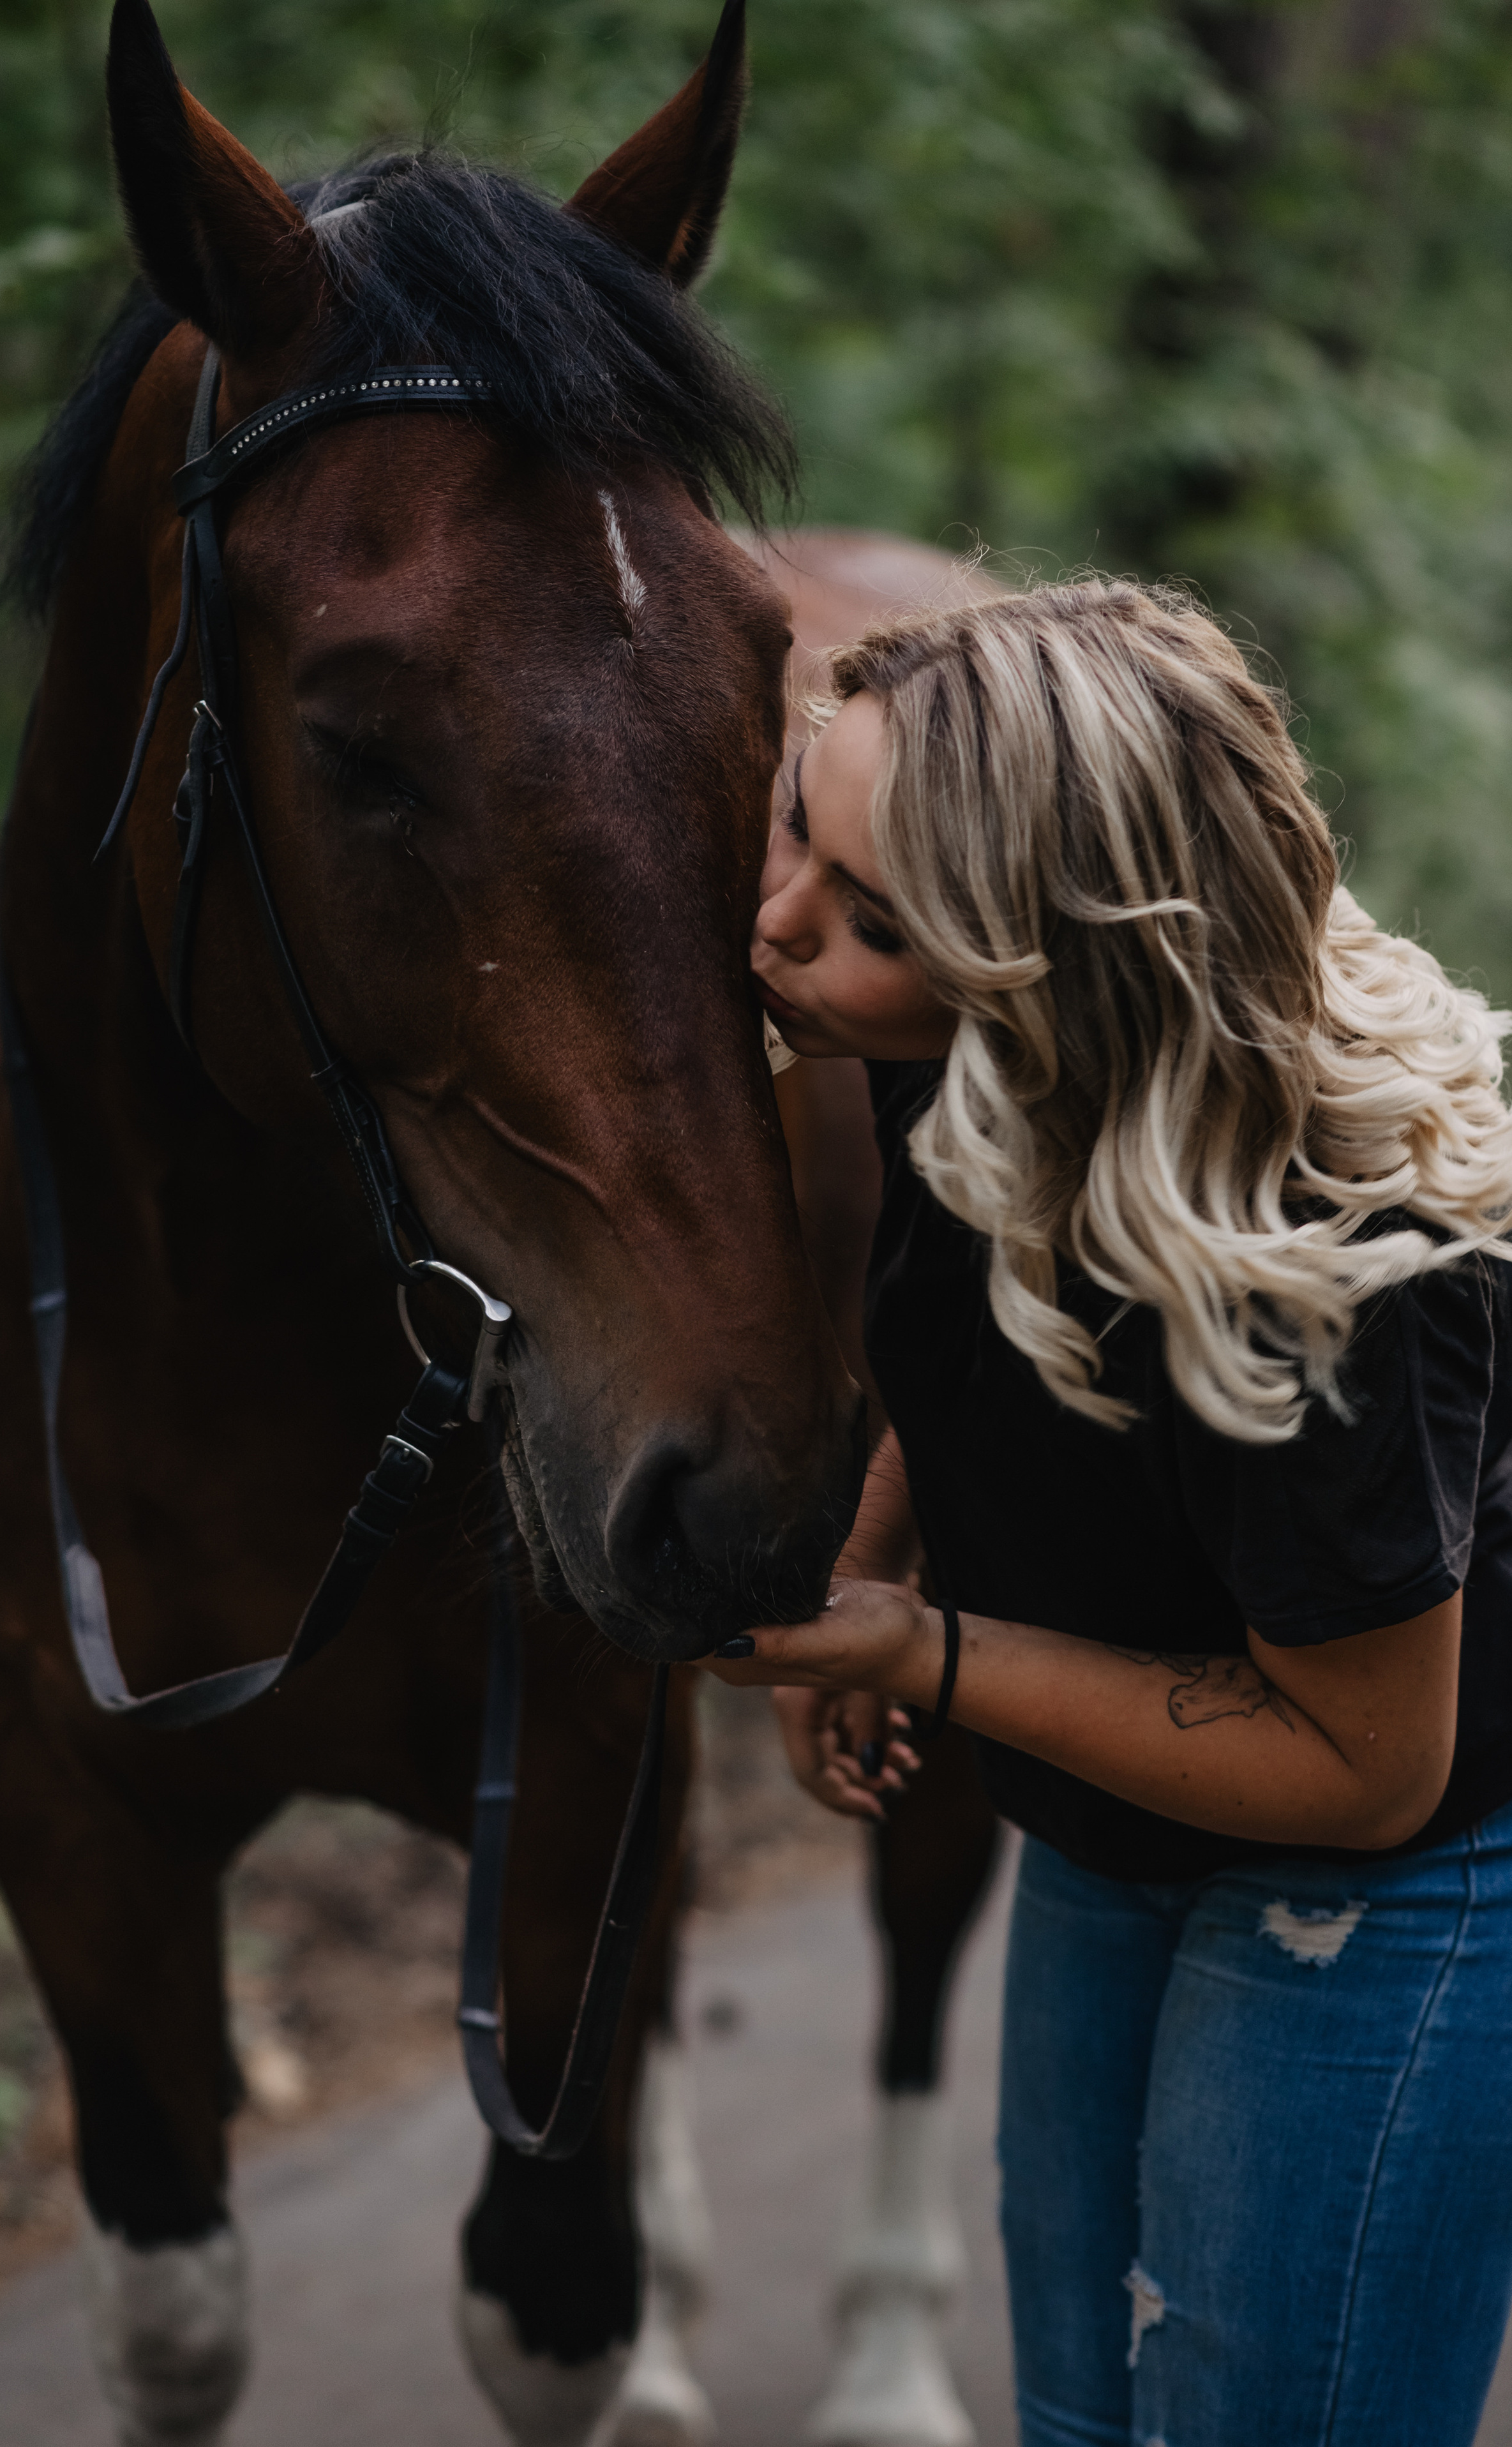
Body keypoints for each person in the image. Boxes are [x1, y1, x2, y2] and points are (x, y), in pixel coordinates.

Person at [714, 577, 1512, 2446]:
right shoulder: (945, 1060)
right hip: (1114, 1815)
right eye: (795, 831)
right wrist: (872, 1550)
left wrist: (929, 1649)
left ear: (1060, 974)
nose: (778, 929)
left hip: (1387, 1884)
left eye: (874, 924)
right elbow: (966, 1355)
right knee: (1083, 2411)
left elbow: (1365, 1765)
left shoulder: (1340, 1269)